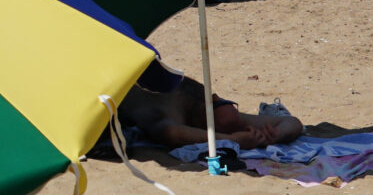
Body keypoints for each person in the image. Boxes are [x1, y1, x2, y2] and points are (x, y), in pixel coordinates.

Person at [117, 62, 302, 152]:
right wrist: (231, 140)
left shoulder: (202, 102)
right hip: (120, 89)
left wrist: (279, 134)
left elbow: (292, 122)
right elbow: (172, 134)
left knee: (227, 118)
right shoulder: (168, 109)